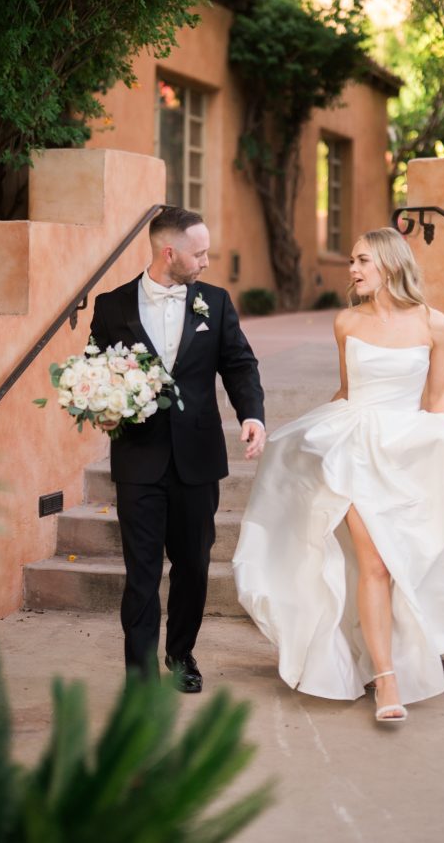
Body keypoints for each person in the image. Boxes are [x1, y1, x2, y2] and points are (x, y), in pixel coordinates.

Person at [233, 226, 444, 724]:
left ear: (390, 264)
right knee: (373, 563)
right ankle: (386, 678)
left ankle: (423, 641)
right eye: (352, 260)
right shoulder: (347, 323)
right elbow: (347, 390)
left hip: (411, 449)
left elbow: (438, 396)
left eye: (361, 261)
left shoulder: (433, 323)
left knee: (407, 559)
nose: (352, 269)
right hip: (354, 448)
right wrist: (299, 441)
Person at [90, 206, 265, 692]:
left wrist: (252, 413)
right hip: (138, 460)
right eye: (200, 253)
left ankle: (180, 654)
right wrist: (102, 407)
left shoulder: (216, 301)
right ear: (170, 252)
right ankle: (140, 675)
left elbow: (239, 364)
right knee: (141, 572)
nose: (207, 262)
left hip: (197, 460)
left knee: (193, 566)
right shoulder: (111, 306)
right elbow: (96, 371)